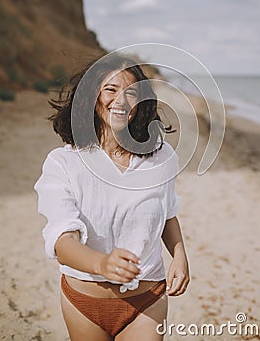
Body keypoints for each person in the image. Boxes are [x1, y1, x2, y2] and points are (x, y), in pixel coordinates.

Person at [34, 53, 190, 341]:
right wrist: (102, 264)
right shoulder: (63, 163)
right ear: (93, 99)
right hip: (84, 302)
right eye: (110, 90)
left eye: (131, 92)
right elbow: (62, 241)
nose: (121, 100)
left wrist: (179, 255)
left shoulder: (162, 157)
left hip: (148, 299)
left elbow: (167, 213)